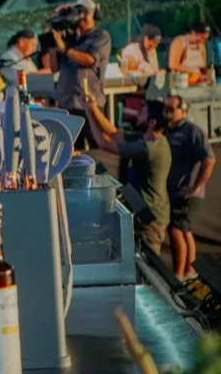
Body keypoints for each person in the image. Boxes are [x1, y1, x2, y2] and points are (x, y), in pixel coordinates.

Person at [84, 96, 171, 258]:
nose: (139, 113)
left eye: (143, 112)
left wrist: (89, 113)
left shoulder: (149, 148)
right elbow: (114, 133)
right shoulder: (145, 138)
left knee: (147, 265)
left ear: (152, 122)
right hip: (142, 212)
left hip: (150, 218)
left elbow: (104, 143)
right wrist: (93, 108)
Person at [164, 96, 216, 278]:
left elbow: (209, 159)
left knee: (176, 229)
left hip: (186, 193)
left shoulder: (192, 131)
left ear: (183, 111)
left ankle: (179, 275)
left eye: (172, 108)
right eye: (165, 107)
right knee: (184, 229)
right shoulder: (166, 130)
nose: (167, 111)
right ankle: (189, 272)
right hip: (173, 192)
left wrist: (196, 187)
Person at [50, 0, 112, 150]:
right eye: (78, 12)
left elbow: (90, 60)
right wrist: (53, 44)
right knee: (69, 150)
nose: (81, 16)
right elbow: (54, 68)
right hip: (67, 102)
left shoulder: (101, 36)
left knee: (97, 147)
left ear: (94, 14)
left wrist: (65, 50)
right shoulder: (69, 38)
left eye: (85, 12)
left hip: (89, 102)